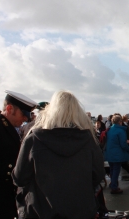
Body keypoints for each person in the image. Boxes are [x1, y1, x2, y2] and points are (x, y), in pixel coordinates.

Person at [11, 90, 105, 219]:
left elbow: (20, 178)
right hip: (81, 210)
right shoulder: (88, 140)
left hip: (41, 211)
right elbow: (98, 174)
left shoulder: (34, 139)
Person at [0, 90, 36, 219]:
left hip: (5, 198)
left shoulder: (9, 129)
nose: (25, 118)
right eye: (23, 114)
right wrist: (15, 171)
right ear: (9, 108)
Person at [104, 114, 129, 194]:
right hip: (117, 153)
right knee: (116, 170)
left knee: (112, 169)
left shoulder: (109, 130)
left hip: (110, 153)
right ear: (120, 122)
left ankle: (113, 184)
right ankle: (114, 187)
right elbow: (123, 144)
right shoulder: (121, 131)